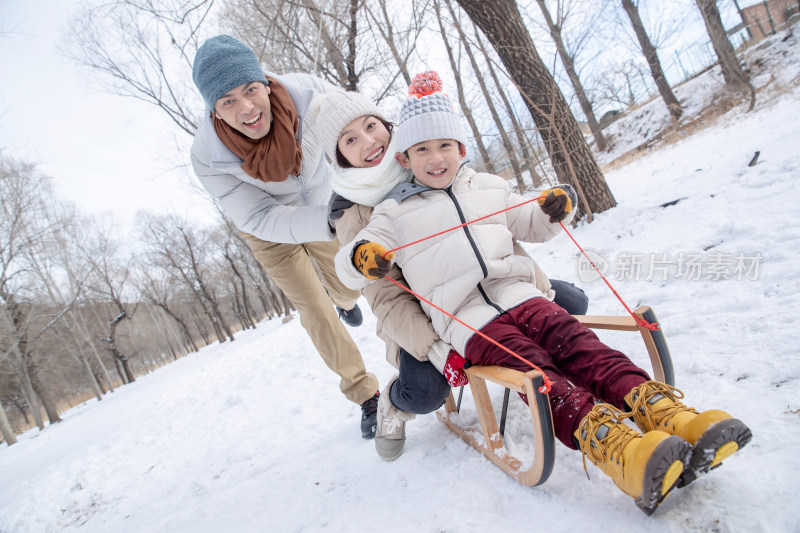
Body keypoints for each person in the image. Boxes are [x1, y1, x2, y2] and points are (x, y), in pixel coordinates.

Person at [333, 72, 752, 514]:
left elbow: (530, 220)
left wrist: (554, 208)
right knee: (540, 374)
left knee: (583, 347)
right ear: (405, 156)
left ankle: (672, 417)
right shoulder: (391, 212)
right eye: (422, 150)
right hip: (469, 322)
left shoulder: (487, 188)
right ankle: (622, 453)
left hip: (521, 295)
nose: (435, 159)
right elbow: (351, 265)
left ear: (462, 149)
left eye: (444, 146)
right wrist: (363, 255)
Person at [313, 86, 589, 462]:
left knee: (573, 302)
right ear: (340, 157)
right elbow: (387, 298)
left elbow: (487, 220)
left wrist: (534, 287)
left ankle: (558, 361)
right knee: (428, 390)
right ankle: (394, 404)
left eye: (371, 125)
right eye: (350, 139)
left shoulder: (428, 151)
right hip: (428, 315)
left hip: (490, 289)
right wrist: (436, 347)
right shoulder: (353, 212)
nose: (368, 141)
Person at [189, 34, 380, 439]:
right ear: (215, 111)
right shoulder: (207, 158)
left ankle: (344, 300)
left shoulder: (313, 97)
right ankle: (365, 394)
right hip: (267, 228)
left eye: (250, 89)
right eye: (227, 102)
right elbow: (258, 215)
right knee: (312, 305)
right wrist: (326, 221)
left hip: (324, 202)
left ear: (263, 81)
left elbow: (360, 135)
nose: (246, 108)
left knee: (348, 284)